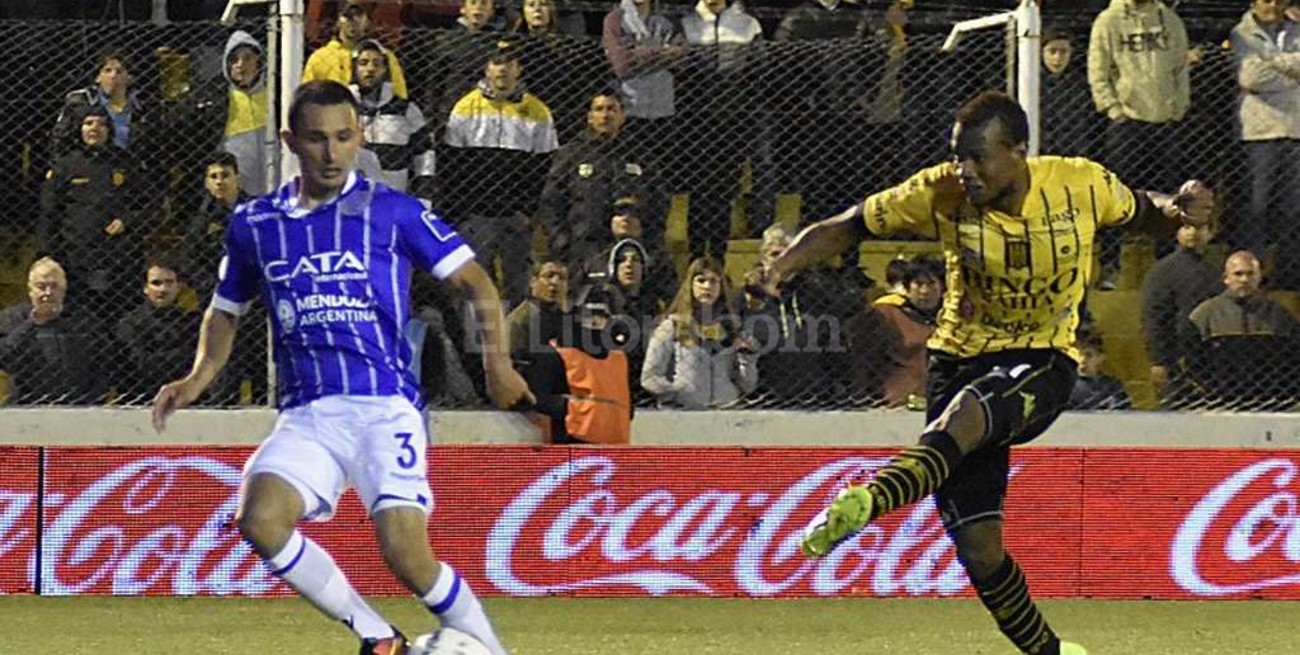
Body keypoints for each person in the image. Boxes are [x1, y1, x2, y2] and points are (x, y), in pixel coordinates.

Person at [758, 90, 1212, 655]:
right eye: (958, 157)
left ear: (1018, 152)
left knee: (969, 414)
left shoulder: (1079, 183)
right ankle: (1051, 653)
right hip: (956, 359)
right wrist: (783, 265)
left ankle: (869, 501)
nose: (964, 170)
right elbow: (849, 225)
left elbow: (1145, 211)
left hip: (1042, 358)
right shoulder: (939, 191)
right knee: (979, 549)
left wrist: (1179, 207)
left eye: (978, 157)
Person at [150, 81, 532, 655]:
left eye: (344, 137)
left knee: (405, 552)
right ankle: (378, 635)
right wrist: (196, 378)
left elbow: (476, 282)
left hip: (384, 406)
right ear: (290, 142)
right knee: (260, 518)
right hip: (307, 413)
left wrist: (497, 366)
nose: (331, 153)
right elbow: (225, 310)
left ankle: (491, 651)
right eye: (317, 139)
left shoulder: (394, 211)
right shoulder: (255, 223)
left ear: (360, 137)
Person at [442, 39, 559, 304]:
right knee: (473, 289)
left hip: (516, 218)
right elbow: (453, 167)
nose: (503, 69)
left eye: (509, 63)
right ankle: (471, 333)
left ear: (519, 69)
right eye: (497, 63)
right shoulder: (464, 107)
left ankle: (516, 331)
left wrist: (528, 211)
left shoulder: (538, 111)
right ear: (487, 69)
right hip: (477, 216)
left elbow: (545, 167)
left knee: (518, 287)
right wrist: (461, 212)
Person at [1087, 0, 1190, 289]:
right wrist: (1113, 109)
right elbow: (1098, 70)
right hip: (1127, 122)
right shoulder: (1108, 20)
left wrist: (1179, 106)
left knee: (1168, 196)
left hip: (1165, 120)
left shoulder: (1169, 20)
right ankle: (1111, 264)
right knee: (1117, 192)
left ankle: (1166, 265)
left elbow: (1181, 67)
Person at [39, 104, 148, 315]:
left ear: (109, 130)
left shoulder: (126, 162)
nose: (95, 128)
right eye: (88, 123)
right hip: (75, 257)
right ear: (79, 128)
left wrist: (127, 220)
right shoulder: (65, 165)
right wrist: (48, 253)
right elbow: (49, 212)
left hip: (120, 258)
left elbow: (148, 203)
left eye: (101, 124)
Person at [537, 89, 660, 263]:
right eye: (599, 109)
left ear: (622, 116)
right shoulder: (571, 155)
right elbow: (551, 201)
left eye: (612, 109)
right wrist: (562, 243)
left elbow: (659, 201)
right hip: (582, 248)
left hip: (629, 248)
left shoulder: (640, 156)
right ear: (589, 117)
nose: (605, 115)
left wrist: (650, 240)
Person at [1230, 0, 1300, 289]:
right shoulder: (1242, 33)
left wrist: (1271, 63)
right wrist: (1292, 69)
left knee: (1293, 208)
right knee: (1256, 207)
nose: (1273, 4)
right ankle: (1252, 272)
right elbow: (1250, 77)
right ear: (1253, 3)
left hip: (1295, 129)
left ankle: (1289, 274)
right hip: (1258, 133)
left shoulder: (1297, 28)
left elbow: (1262, 76)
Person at [516, 281, 633, 444]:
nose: (595, 322)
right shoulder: (555, 355)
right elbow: (534, 397)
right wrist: (565, 406)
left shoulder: (618, 359)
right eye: (589, 315)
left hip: (614, 447)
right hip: (572, 444)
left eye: (602, 316)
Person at [1186, 250, 1299, 409]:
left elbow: (1293, 359)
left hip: (1270, 401)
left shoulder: (1279, 315)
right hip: (1221, 402)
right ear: (1226, 278)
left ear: (1259, 277)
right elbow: (1192, 361)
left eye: (1250, 274)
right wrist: (1212, 389)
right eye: (1238, 274)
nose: (1244, 279)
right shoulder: (1204, 315)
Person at [642, 255, 758, 408]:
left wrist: (747, 357)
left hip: (727, 410)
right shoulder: (672, 326)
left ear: (721, 287)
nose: (707, 286)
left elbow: (747, 385)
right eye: (701, 280)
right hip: (685, 412)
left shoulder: (732, 327)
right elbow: (650, 376)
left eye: (714, 281)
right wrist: (676, 394)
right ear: (690, 285)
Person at [0, 257, 105, 405]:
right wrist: (33, 323)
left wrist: (94, 401)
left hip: (79, 405)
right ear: (30, 290)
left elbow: (104, 364)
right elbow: (4, 358)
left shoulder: (84, 320)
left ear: (64, 290)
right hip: (26, 404)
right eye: (41, 286)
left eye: (54, 286)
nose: (48, 293)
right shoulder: (11, 318)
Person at [1140, 221, 1221, 407]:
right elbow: (1153, 316)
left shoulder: (1214, 271)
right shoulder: (1162, 271)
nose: (1193, 232)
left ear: (1211, 232)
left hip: (1207, 357)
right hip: (1175, 359)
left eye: (1199, 227)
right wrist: (1159, 359)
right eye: (1186, 227)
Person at [850, 256, 942, 408]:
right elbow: (864, 359)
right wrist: (862, 396)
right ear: (907, 288)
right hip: (899, 398)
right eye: (918, 284)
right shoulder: (886, 313)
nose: (925, 291)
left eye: (932, 284)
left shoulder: (951, 317)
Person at [350, 39, 436, 196]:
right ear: (354, 68)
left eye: (377, 63)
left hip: (392, 197)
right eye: (363, 63)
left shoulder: (406, 110)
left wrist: (424, 195)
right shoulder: (342, 109)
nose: (370, 69)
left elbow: (424, 154)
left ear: (385, 70)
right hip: (350, 198)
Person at [115, 259, 200, 403]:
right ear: (145, 288)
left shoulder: (190, 322)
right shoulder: (129, 323)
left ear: (178, 287)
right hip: (139, 398)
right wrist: (181, 355)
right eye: (156, 283)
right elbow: (137, 365)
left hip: (183, 398)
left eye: (169, 282)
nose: (163, 289)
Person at [50, 50, 151, 160]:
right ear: (98, 77)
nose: (113, 76)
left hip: (129, 163)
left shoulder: (142, 106)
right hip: (87, 162)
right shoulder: (80, 100)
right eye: (107, 70)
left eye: (119, 71)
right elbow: (60, 137)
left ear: (129, 78)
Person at [303, 0, 410, 100]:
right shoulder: (320, 58)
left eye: (359, 15)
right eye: (347, 16)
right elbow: (306, 97)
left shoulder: (385, 56)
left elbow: (400, 95)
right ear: (338, 20)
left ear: (367, 20)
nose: (353, 21)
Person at [1040, 28, 1102, 158]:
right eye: (1052, 51)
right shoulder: (1030, 82)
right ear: (1042, 52)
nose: (1058, 58)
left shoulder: (1079, 84)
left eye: (1063, 52)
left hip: (1074, 149)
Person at [507, 258, 569, 353]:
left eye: (562, 278)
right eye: (549, 276)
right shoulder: (519, 321)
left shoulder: (564, 318)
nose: (555, 282)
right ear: (533, 281)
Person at [1067, 331, 1131, 410]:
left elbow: (1125, 412)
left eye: (1089, 355)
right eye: (1078, 355)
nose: (1082, 360)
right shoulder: (1067, 386)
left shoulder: (1112, 386)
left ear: (1101, 357)